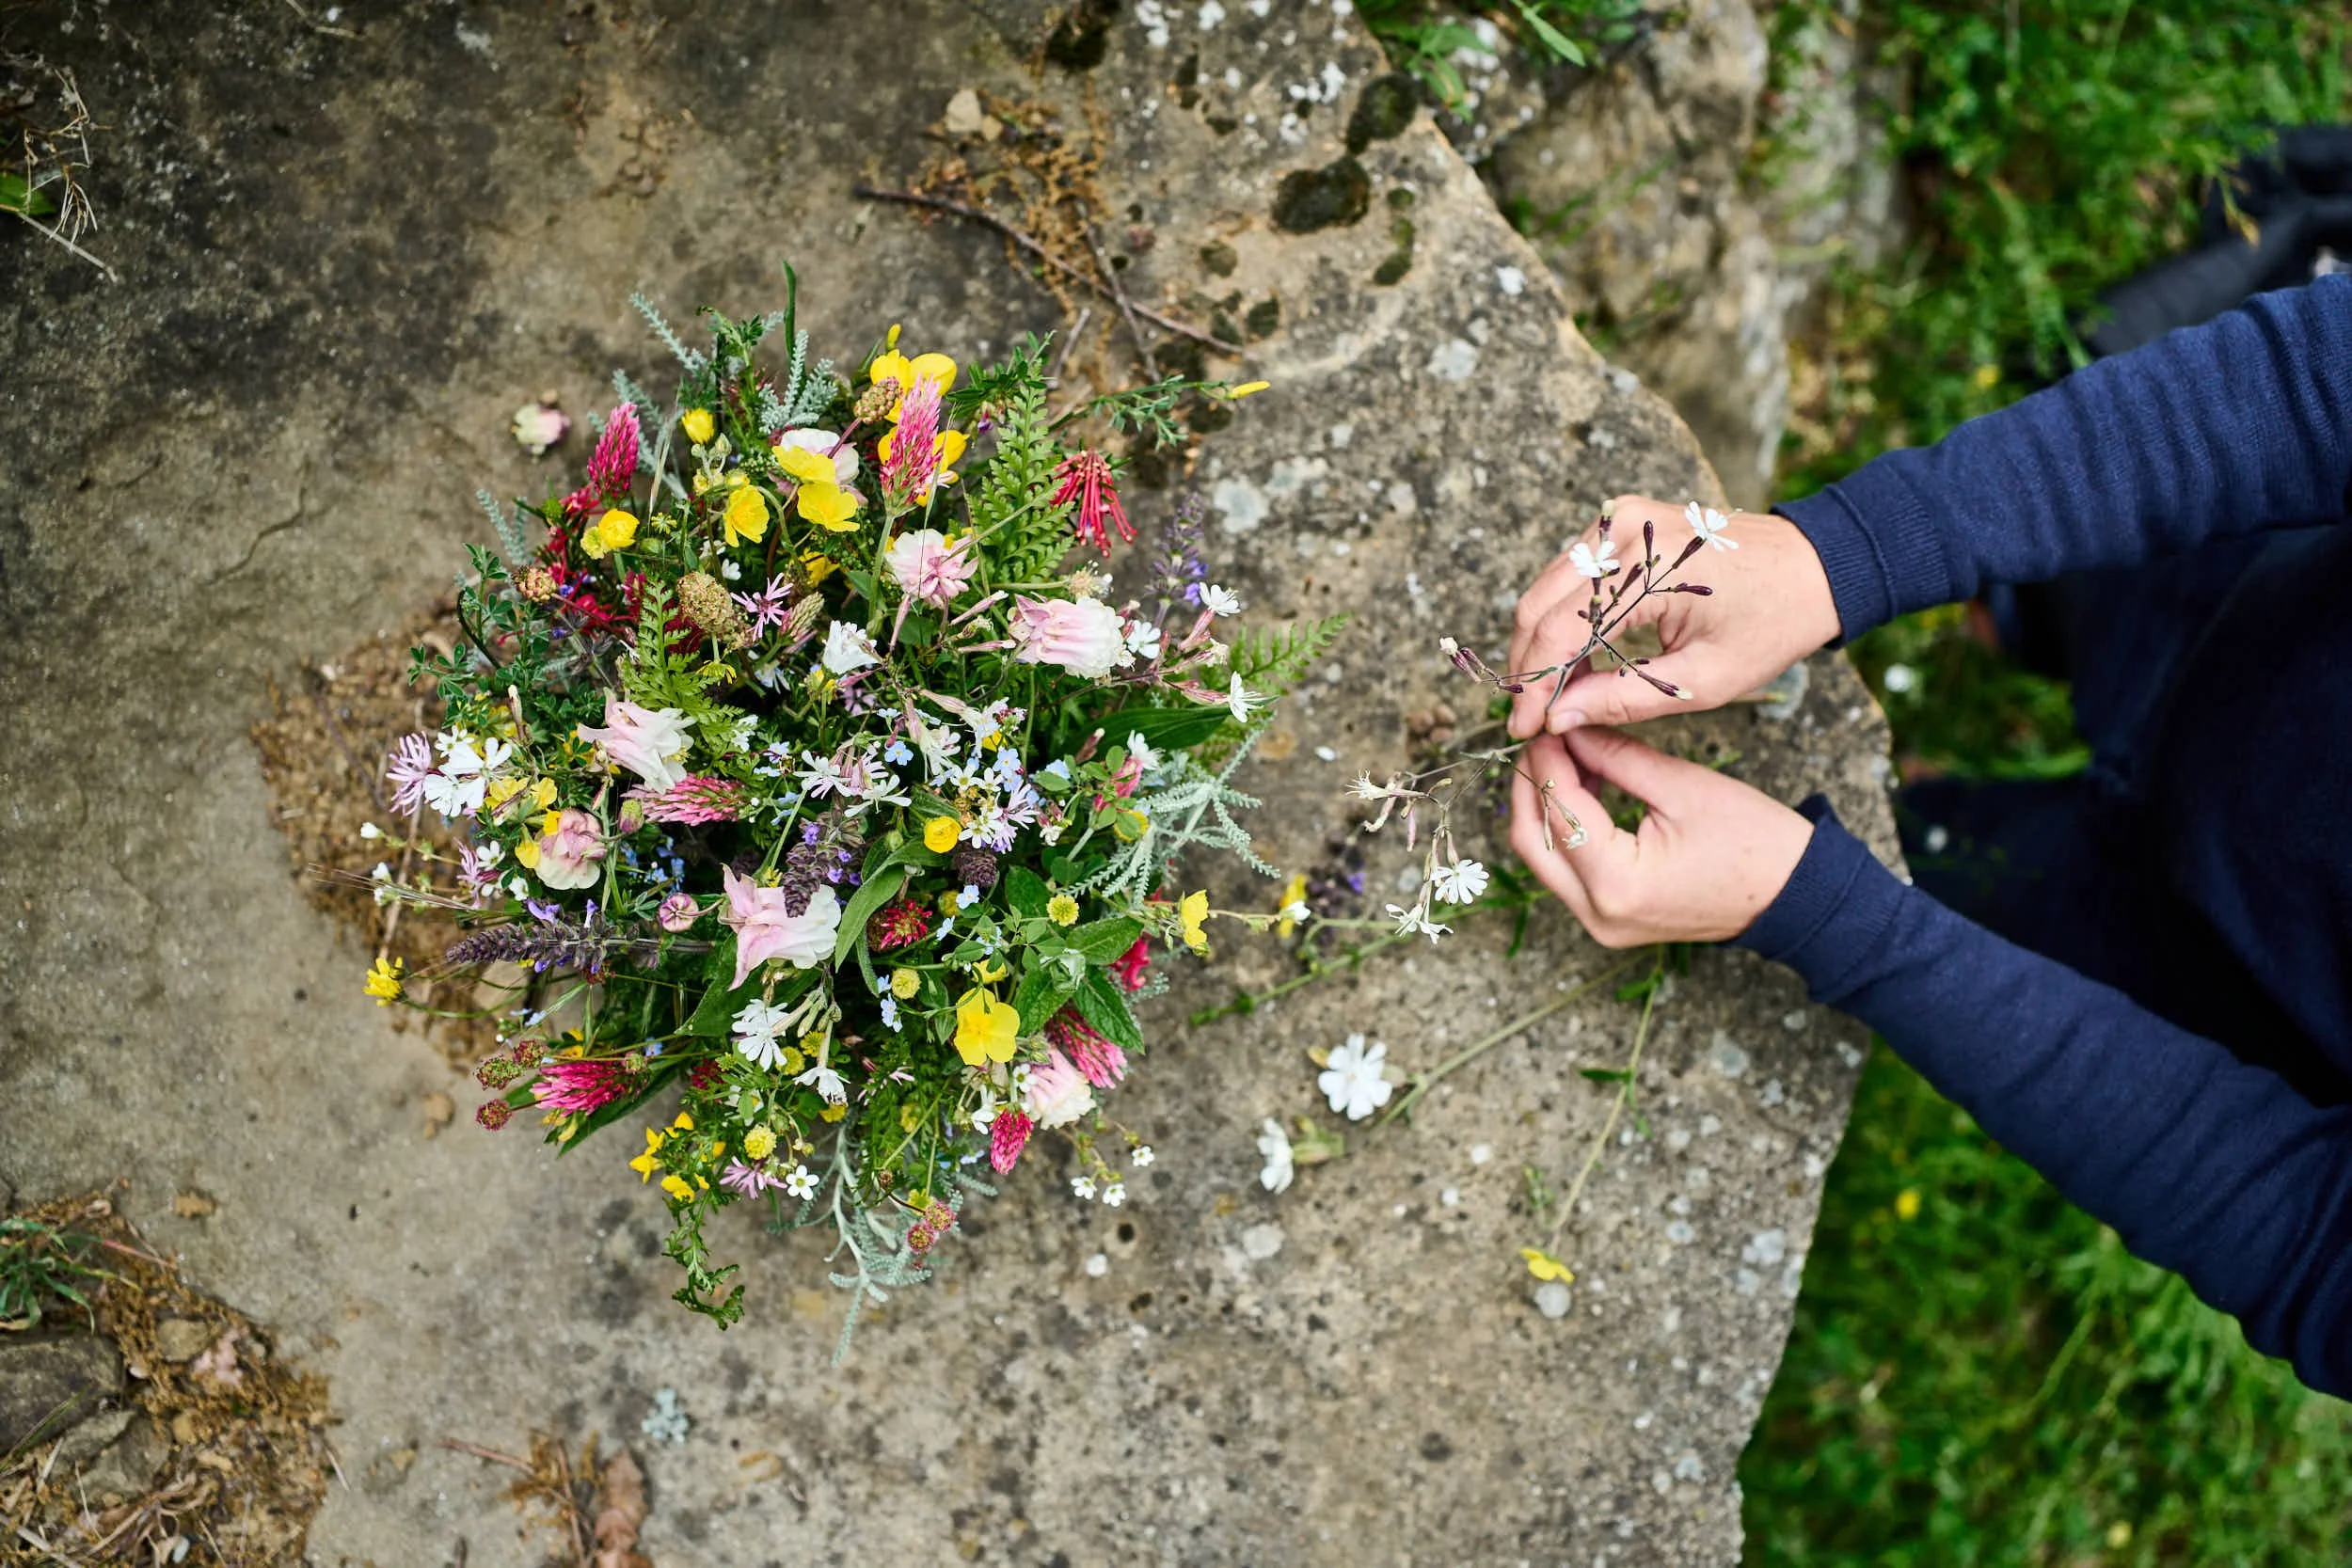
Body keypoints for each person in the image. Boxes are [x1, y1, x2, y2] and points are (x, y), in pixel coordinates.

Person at [1501, 274, 2352, 1399]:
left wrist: (1833, 914)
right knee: (2112, 589)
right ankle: (2031, 620)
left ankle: (1939, 806)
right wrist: (1848, 551)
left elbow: (2310, 1236)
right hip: (2265, 602)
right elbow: (2315, 385)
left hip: (2207, 969)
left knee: (1955, 864)